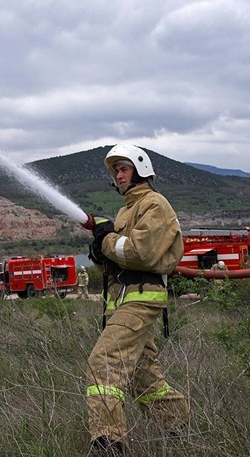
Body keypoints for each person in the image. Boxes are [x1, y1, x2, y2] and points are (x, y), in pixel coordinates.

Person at [85, 143, 189, 456]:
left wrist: (106, 239)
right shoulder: (126, 211)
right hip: (125, 300)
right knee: (144, 381)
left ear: (141, 170)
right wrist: (99, 252)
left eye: (123, 168)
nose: (118, 175)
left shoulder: (154, 205)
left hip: (141, 300)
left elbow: (141, 253)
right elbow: (120, 259)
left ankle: (109, 444)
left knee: (103, 364)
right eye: (116, 170)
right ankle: (178, 427)